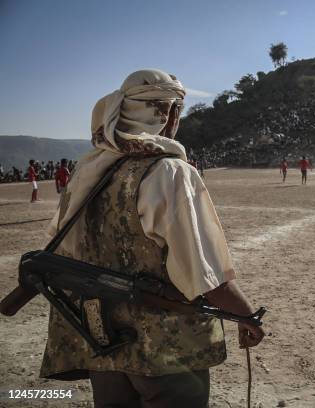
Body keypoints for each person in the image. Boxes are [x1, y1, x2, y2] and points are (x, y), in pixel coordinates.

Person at [41, 69, 264, 407]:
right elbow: (203, 274)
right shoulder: (169, 172)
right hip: (165, 349)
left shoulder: (87, 170)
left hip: (104, 339)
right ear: (168, 113)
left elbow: (64, 250)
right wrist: (247, 316)